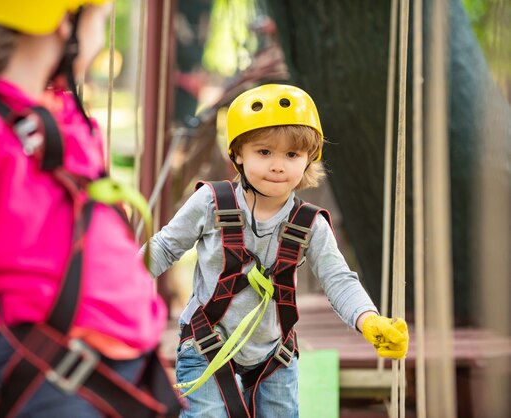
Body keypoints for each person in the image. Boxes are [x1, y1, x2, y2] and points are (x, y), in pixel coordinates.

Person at [0, 1, 181, 417]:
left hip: (129, 362)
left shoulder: (63, 114)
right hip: (57, 370)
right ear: (66, 23)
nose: (100, 41)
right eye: (99, 20)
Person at [142, 84, 409, 418]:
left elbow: (338, 279)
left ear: (310, 158)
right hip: (206, 344)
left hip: (274, 355)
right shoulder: (211, 202)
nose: (278, 166)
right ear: (238, 153)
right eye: (264, 152)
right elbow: (165, 248)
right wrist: (114, 284)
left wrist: (369, 321)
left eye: (292, 155)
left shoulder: (309, 225)